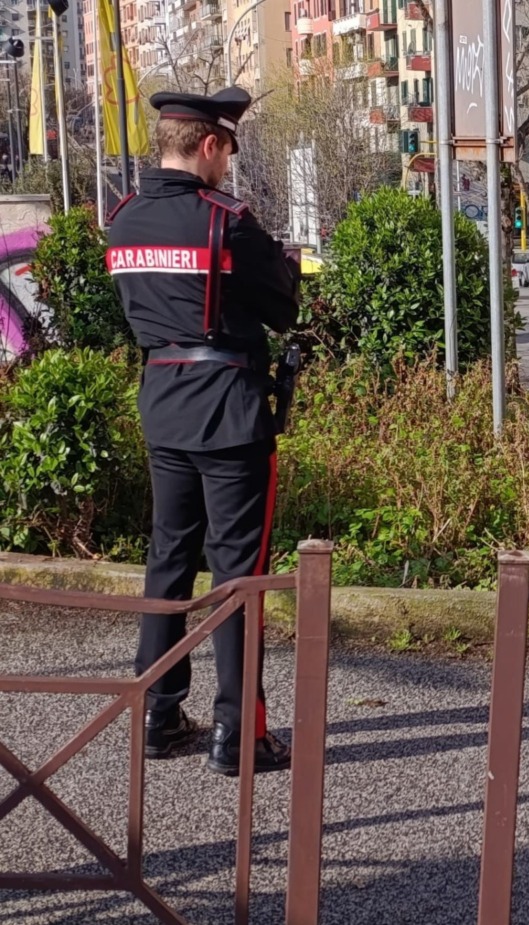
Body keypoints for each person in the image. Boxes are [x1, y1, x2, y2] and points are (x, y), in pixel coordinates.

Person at [107, 88, 301, 776]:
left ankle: (158, 713)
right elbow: (283, 306)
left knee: (168, 562)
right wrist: (282, 262)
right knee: (236, 576)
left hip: (162, 402)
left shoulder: (123, 221)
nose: (228, 166)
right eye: (228, 152)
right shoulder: (227, 220)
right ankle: (239, 733)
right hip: (229, 411)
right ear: (210, 145)